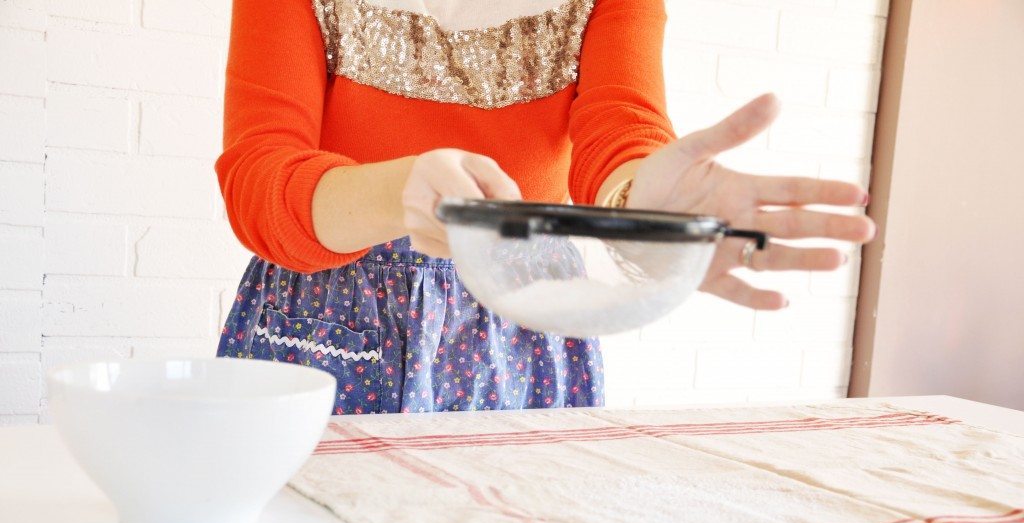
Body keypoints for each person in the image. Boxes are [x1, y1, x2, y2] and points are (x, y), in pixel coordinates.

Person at [215, 0, 874, 415]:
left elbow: (622, 131)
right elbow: (259, 176)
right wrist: (399, 193)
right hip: (327, 314)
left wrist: (639, 208)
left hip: (525, 316)